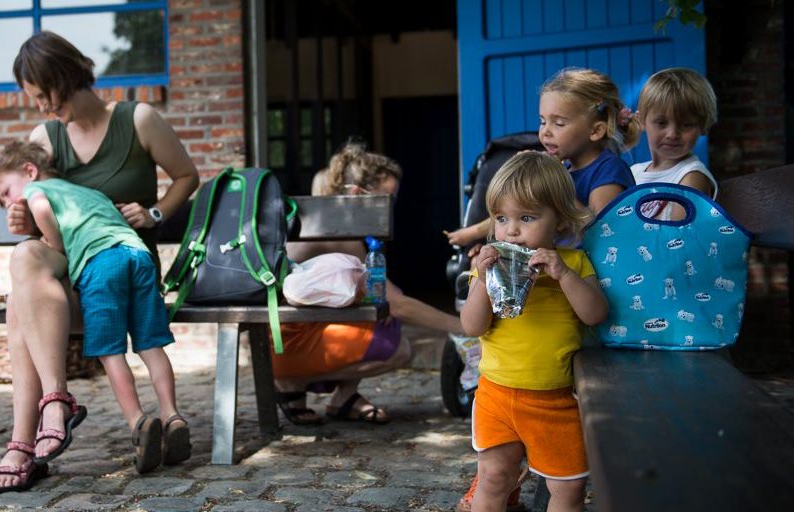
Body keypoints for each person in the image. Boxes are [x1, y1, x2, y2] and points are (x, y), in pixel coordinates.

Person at [0, 31, 199, 493]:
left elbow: (186, 176)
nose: (40, 108)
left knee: (21, 304)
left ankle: (26, 440)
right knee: (23, 259)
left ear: (64, 77)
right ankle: (52, 405)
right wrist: (21, 221)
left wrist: (154, 211)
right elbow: (41, 214)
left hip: (125, 263)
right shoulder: (47, 136)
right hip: (73, 267)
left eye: (43, 95)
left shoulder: (138, 119)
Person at [0, 140, 190, 474]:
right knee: (151, 346)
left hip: (102, 265)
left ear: (29, 170)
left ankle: (138, 422)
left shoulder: (38, 188)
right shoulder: (88, 193)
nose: (9, 202)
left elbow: (39, 209)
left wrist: (54, 242)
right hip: (137, 255)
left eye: (6, 192)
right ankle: (172, 414)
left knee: (111, 352)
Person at [272, 142, 465, 426]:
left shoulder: (329, 221)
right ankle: (291, 384)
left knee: (381, 317)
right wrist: (464, 327)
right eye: (386, 199)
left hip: (287, 340)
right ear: (355, 195)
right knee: (399, 346)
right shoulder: (340, 234)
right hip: (284, 349)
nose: (392, 208)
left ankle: (341, 398)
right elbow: (398, 303)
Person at [461, 152, 607, 512]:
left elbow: (595, 314)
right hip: (496, 395)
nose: (511, 230)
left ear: (558, 221)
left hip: (554, 401)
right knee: (495, 478)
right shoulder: (490, 269)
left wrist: (564, 276)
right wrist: (481, 279)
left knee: (567, 491)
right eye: (501, 218)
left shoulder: (573, 263)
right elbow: (472, 326)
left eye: (526, 218)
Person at [446, 67, 639, 247]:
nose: (545, 132)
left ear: (596, 130)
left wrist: (557, 181)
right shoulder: (564, 169)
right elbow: (516, 212)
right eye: (542, 121)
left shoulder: (608, 170)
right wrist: (474, 233)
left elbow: (600, 233)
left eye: (559, 123)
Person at [631, 67, 719, 220]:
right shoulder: (634, 173)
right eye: (661, 122)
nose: (672, 134)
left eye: (686, 125)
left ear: (704, 126)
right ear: (641, 121)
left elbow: (679, 238)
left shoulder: (692, 177)